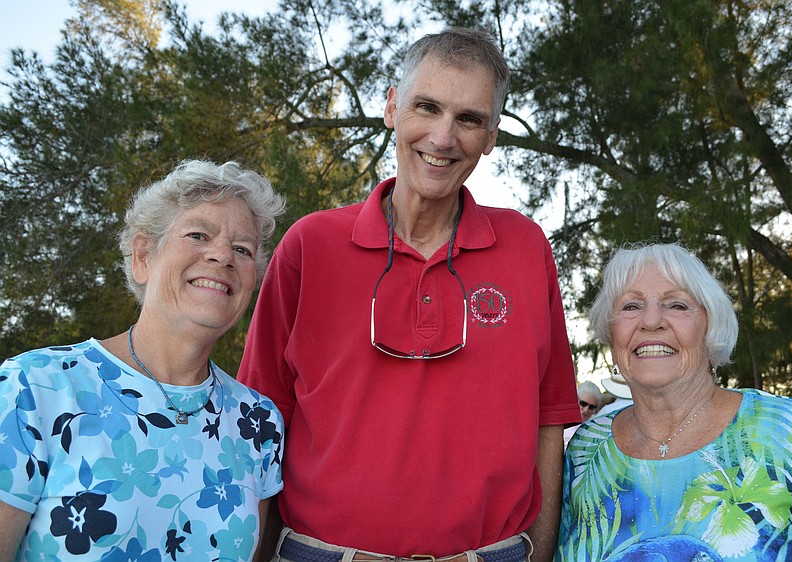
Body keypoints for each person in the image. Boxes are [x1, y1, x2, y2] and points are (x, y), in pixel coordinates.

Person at [239, 27, 580, 562]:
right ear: (392, 107)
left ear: (491, 136)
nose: (444, 138)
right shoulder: (311, 245)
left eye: (469, 119)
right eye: (427, 107)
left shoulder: (525, 247)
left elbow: (549, 418)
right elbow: (261, 417)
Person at [0, 160, 286, 561]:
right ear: (142, 257)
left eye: (243, 249)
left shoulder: (258, 422)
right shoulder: (32, 389)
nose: (222, 256)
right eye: (198, 234)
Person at [558, 242, 792, 561]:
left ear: (710, 330)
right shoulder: (587, 449)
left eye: (677, 305)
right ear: (611, 338)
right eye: (631, 306)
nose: (651, 320)